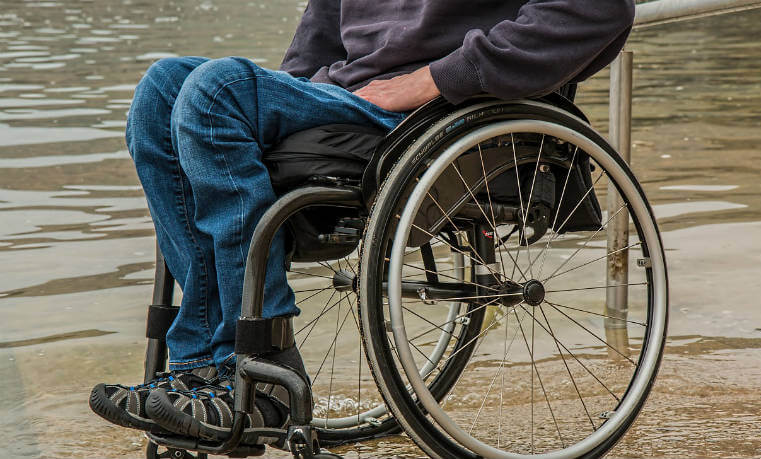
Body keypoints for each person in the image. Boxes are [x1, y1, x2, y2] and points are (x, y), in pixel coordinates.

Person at [89, 0, 635, 442]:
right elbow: (319, 37)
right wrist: (278, 105)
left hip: (432, 109)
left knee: (215, 91)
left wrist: (436, 78)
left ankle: (263, 363)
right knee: (164, 88)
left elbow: (599, 10)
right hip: (349, 98)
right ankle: (198, 371)